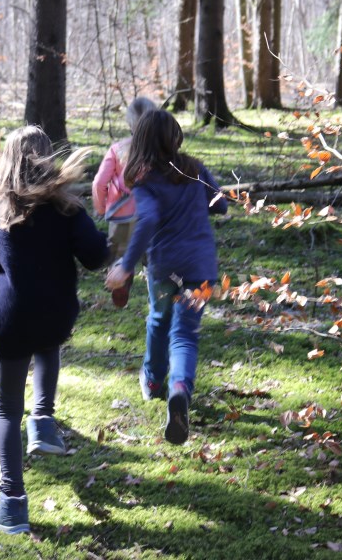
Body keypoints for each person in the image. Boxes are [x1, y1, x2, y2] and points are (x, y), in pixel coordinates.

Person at [0, 126, 109, 534]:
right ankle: (44, 421)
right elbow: (96, 257)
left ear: (6, 161)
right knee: (49, 341)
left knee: (4, 409)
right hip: (56, 313)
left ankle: (12, 504)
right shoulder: (68, 210)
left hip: (12, 317)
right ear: (47, 160)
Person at [105, 110, 227, 445]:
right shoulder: (195, 169)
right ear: (176, 138)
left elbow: (147, 221)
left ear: (141, 142)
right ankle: (179, 388)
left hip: (164, 268)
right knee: (185, 333)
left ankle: (155, 380)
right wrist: (201, 202)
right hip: (201, 270)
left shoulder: (144, 181)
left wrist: (126, 266)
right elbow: (222, 205)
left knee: (159, 320)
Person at [91, 97, 157, 307]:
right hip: (152, 216)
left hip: (121, 214)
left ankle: (121, 280)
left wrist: (101, 207)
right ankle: (156, 296)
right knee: (153, 257)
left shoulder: (117, 149)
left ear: (129, 123)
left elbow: (99, 182)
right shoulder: (160, 152)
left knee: (119, 252)